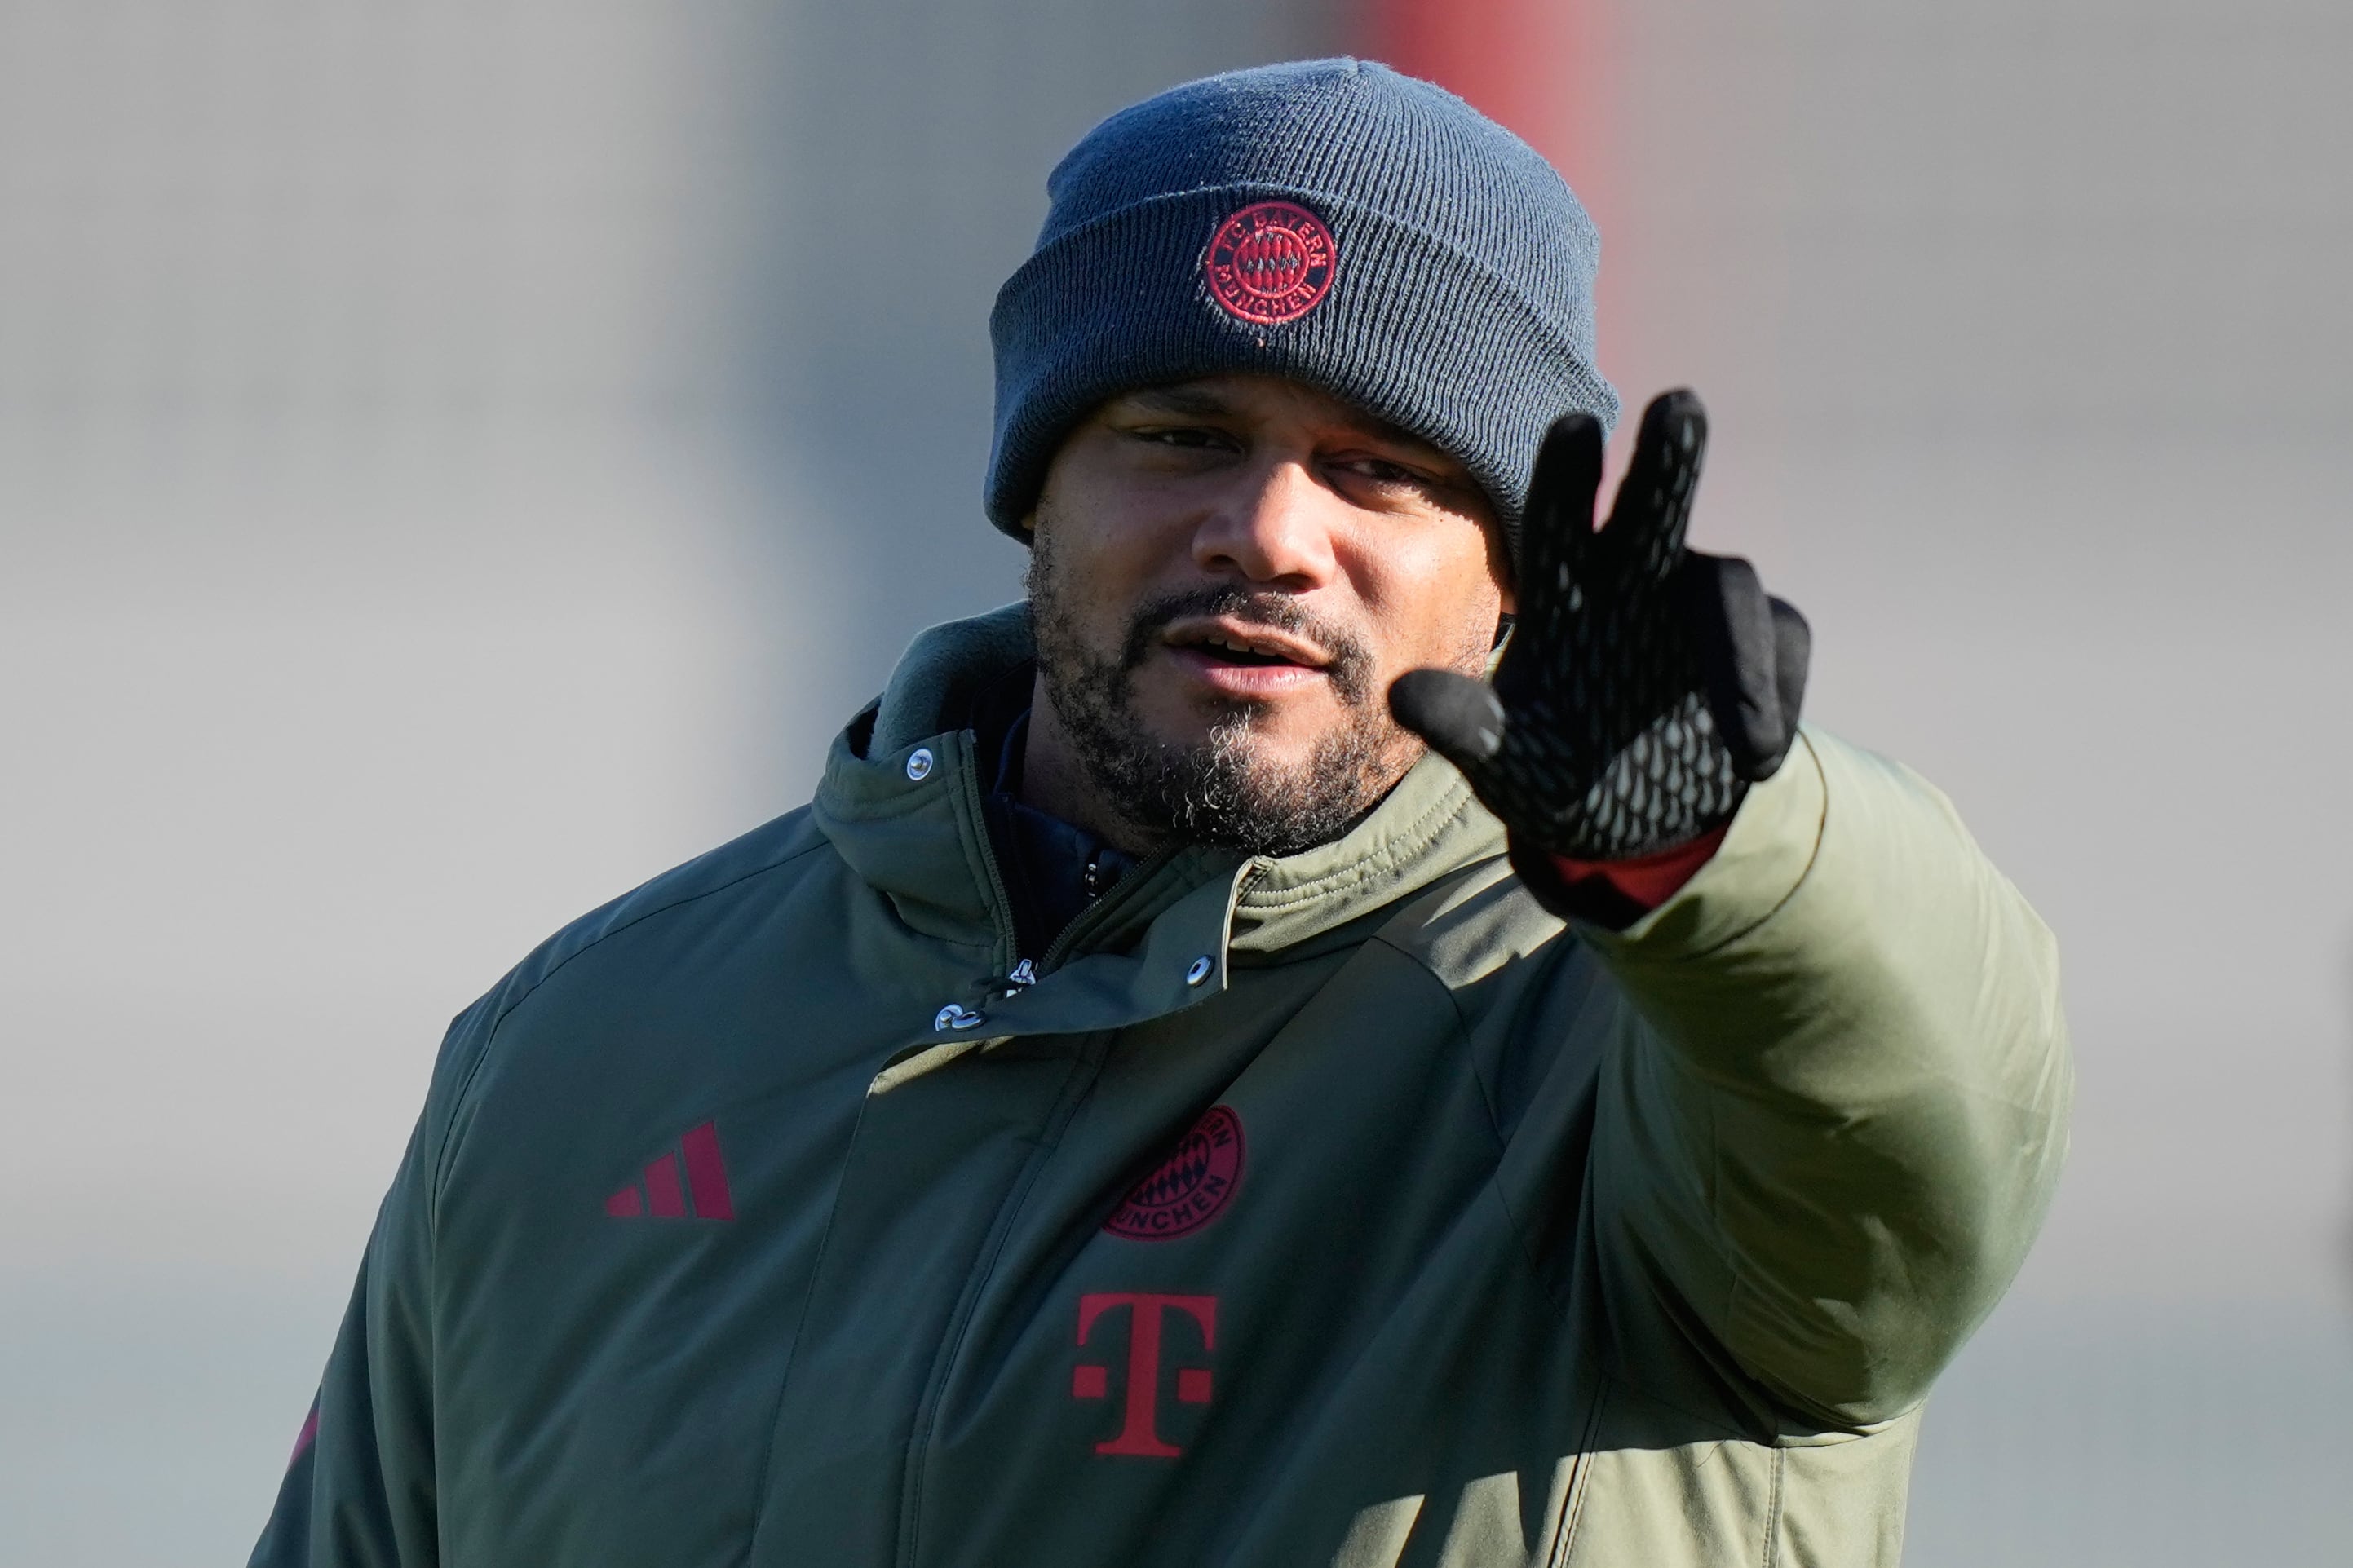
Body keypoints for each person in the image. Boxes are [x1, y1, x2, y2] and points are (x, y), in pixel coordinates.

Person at [250, 59, 2068, 1568]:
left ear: (1508, 575)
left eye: (1382, 464)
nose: (1272, 529)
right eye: (1183, 432)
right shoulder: (587, 1047)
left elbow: (1918, 1112)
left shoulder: (1637, 1040)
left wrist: (1719, 858)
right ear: (1036, 487)